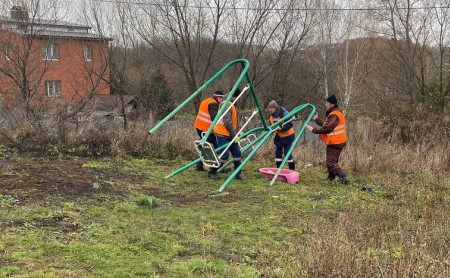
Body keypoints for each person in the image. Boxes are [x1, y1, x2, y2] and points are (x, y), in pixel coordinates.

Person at [306, 94, 350, 184]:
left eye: (327, 103)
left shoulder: (334, 114)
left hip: (336, 142)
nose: (325, 104)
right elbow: (327, 125)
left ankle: (344, 177)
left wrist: (312, 129)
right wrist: (317, 120)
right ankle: (331, 177)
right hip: (337, 141)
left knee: (330, 162)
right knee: (332, 160)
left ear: (331, 104)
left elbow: (326, 129)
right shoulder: (335, 113)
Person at [210, 88, 243, 180]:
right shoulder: (227, 104)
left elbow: (234, 121)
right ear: (235, 97)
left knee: (237, 154)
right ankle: (212, 171)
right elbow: (227, 122)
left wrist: (237, 131)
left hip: (230, 134)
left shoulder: (233, 104)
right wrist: (234, 134)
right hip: (222, 133)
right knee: (224, 155)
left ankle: (237, 172)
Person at [193, 90, 224, 171]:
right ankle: (216, 168)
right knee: (217, 148)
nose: (222, 100)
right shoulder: (213, 104)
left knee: (204, 147)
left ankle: (199, 166)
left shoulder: (206, 100)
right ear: (217, 97)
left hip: (199, 126)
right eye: (221, 98)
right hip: (207, 130)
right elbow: (214, 118)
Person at [266, 100, 296, 170]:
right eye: (269, 108)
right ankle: (279, 170)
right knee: (278, 154)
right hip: (279, 137)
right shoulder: (270, 115)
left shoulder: (285, 113)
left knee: (287, 153)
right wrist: (269, 131)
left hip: (288, 136)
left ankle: (292, 170)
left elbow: (290, 124)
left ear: (275, 108)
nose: (269, 110)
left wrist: (282, 128)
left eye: (270, 108)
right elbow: (272, 125)